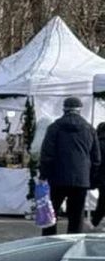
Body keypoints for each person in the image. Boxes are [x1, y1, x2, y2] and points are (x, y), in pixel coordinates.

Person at [39, 96, 101, 236]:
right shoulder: (89, 129)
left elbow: (47, 154)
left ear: (64, 109)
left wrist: (43, 175)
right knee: (76, 215)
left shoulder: (54, 127)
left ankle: (49, 241)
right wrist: (90, 179)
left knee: (52, 211)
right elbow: (96, 158)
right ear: (80, 110)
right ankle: (73, 241)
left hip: (57, 177)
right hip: (81, 179)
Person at [92, 121, 105, 229]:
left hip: (102, 177)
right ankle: (95, 221)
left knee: (102, 201)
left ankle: (95, 222)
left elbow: (95, 161)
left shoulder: (97, 144)